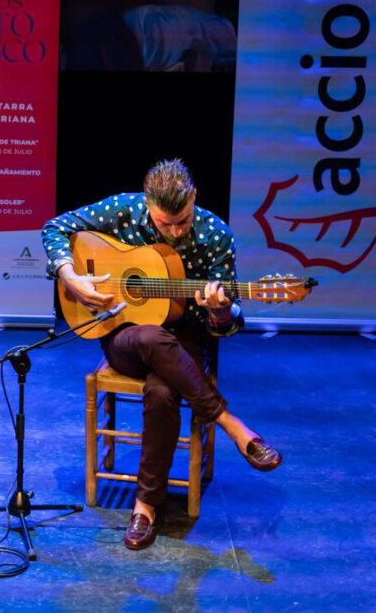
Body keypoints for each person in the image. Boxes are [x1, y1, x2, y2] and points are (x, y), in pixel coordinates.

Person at [41, 158, 281, 550]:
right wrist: (71, 277)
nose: (173, 231)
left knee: (163, 392)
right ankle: (231, 423)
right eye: (163, 223)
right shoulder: (123, 209)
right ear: (147, 202)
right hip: (123, 335)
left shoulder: (216, 236)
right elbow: (54, 228)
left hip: (184, 337)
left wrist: (220, 310)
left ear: (194, 199)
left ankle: (145, 507)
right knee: (151, 337)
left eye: (182, 221)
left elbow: (224, 326)